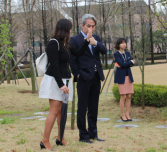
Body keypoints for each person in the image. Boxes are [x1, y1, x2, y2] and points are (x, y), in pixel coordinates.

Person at [39, 19, 92, 150]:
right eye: (70, 28)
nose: (71, 31)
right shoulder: (53, 43)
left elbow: (78, 53)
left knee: (62, 112)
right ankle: (44, 141)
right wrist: (61, 84)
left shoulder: (65, 43)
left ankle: (60, 138)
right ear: (64, 29)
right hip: (55, 80)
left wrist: (87, 40)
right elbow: (54, 66)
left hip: (66, 80)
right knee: (55, 110)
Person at [70, 14, 107, 144]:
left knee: (93, 107)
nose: (91, 28)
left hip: (96, 77)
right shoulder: (75, 40)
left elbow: (104, 51)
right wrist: (78, 74)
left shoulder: (96, 38)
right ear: (82, 25)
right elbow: (72, 60)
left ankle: (93, 133)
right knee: (82, 107)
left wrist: (95, 43)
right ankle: (83, 135)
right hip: (83, 78)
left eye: (93, 26)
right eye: (88, 26)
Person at [114, 38, 135, 122]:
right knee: (123, 96)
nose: (124, 44)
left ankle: (127, 114)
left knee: (129, 96)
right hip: (121, 77)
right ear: (118, 45)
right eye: (122, 43)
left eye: (125, 43)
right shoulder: (116, 54)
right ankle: (122, 115)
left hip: (128, 76)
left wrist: (125, 64)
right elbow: (122, 63)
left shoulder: (127, 53)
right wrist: (129, 63)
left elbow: (130, 64)